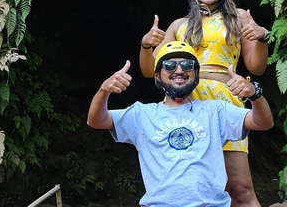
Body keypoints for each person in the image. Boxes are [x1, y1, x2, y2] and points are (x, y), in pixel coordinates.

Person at [139, 0, 271, 207]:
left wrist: (262, 37)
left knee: (240, 188)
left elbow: (256, 66)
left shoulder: (240, 18)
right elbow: (150, 70)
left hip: (226, 100)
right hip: (187, 102)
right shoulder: (180, 25)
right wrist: (146, 45)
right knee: (195, 186)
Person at [88, 41, 274, 207]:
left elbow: (263, 122)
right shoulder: (142, 114)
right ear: (158, 76)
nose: (179, 70)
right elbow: (97, 120)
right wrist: (104, 91)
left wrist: (254, 94)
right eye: (169, 65)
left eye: (187, 65)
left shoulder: (216, 111)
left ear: (196, 74)